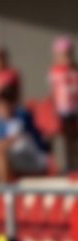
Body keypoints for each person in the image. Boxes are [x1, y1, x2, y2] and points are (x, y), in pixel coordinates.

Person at [0, 91, 49, 182]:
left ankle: (3, 191)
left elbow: (6, 144)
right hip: (16, 159)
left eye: (4, 106)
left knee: (0, 154)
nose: (2, 110)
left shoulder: (21, 117)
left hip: (33, 159)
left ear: (12, 105)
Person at [48, 36, 78, 172]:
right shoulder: (55, 70)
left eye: (67, 54)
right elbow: (54, 90)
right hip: (63, 109)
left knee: (74, 137)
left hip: (75, 107)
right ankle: (68, 164)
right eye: (62, 54)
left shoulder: (75, 69)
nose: (65, 57)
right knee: (66, 138)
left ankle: (74, 163)